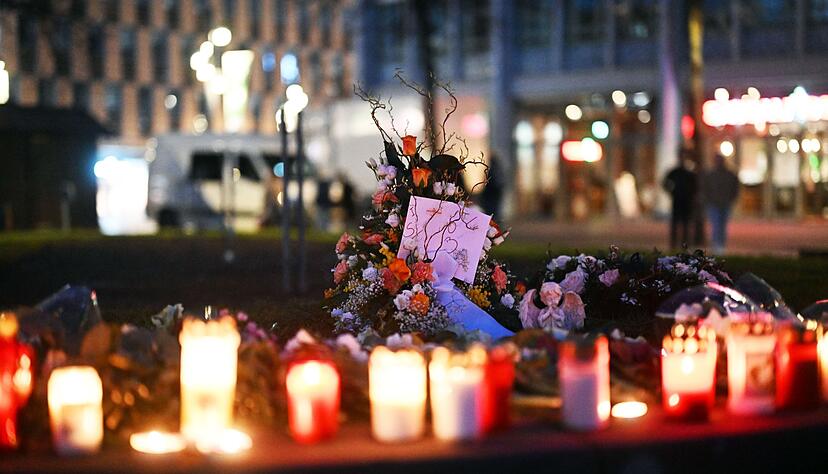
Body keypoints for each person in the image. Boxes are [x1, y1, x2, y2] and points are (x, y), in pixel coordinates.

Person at [701, 154, 740, 255]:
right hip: (713, 204)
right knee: (716, 225)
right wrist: (707, 200)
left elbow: (735, 188)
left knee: (722, 226)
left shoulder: (729, 174)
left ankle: (721, 245)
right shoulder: (710, 174)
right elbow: (705, 189)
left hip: (725, 204)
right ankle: (716, 246)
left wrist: (731, 199)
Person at [663, 150, 697, 249]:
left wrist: (691, 195)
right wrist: (672, 192)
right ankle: (673, 245)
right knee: (675, 225)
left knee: (686, 225)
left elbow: (695, 187)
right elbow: (665, 183)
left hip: (687, 202)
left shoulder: (689, 173)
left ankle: (684, 245)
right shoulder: (675, 172)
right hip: (677, 201)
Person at [481, 154, 504, 218]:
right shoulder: (498, 169)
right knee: (495, 212)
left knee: (491, 211)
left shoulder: (492, 169)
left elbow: (490, 182)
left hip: (491, 195)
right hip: (494, 195)